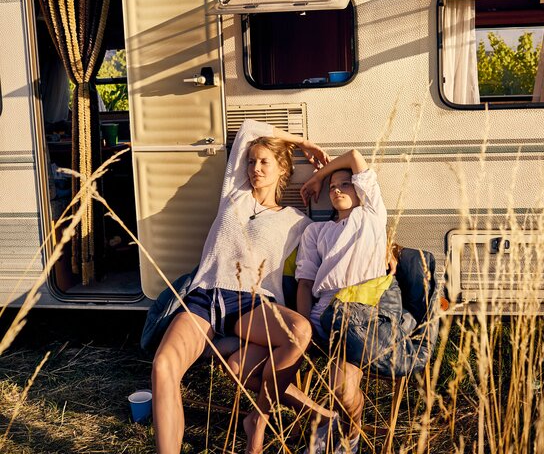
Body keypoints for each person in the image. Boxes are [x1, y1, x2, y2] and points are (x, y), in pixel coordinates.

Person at [151, 119, 330, 454]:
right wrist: (302, 141)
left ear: (282, 170)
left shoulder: (297, 221)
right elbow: (248, 128)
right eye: (251, 161)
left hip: (251, 306)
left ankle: (257, 421)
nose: (255, 168)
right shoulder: (234, 194)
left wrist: (319, 174)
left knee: (298, 331)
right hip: (205, 297)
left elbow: (340, 234)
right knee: (164, 367)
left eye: (264, 162)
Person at [296, 149, 388, 454]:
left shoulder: (371, 214)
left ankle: (349, 431)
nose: (336, 190)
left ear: (360, 189)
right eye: (332, 187)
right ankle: (330, 423)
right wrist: (304, 327)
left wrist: (319, 175)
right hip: (322, 316)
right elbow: (306, 283)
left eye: (345, 184)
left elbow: (354, 156)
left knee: (343, 389)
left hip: (358, 316)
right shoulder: (316, 231)